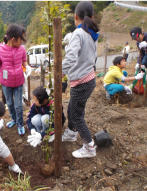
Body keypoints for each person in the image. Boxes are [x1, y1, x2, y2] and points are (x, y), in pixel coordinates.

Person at [61, 1, 99, 158]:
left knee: (77, 116)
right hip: (87, 79)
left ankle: (89, 147)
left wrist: (58, 73)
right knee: (72, 108)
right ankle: (71, 133)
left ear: (75, 16)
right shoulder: (91, 33)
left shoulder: (79, 33)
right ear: (91, 17)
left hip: (82, 81)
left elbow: (71, 57)